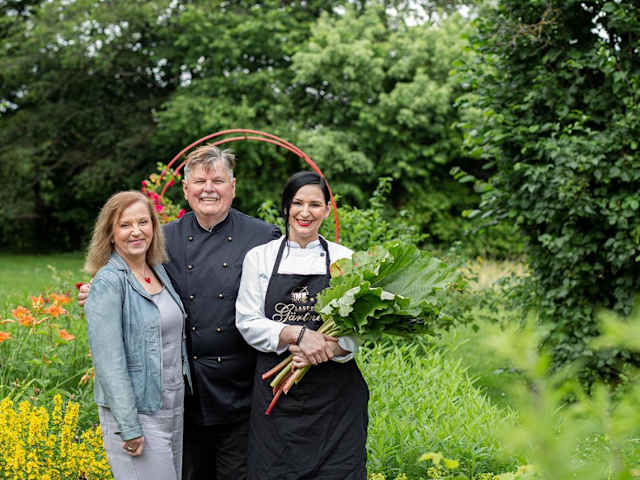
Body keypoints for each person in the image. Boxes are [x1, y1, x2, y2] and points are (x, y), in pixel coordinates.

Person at [80, 145, 280, 480]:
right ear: (186, 189)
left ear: (233, 186)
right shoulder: (164, 239)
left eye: (218, 181)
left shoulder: (263, 237)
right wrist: (100, 292)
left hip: (241, 393)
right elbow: (128, 282)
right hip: (185, 398)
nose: (208, 189)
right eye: (199, 181)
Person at [236, 171, 369, 480]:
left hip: (335, 401)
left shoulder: (345, 260)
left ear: (327, 210)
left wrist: (327, 349)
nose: (305, 212)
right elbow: (247, 321)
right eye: (297, 203)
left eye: (315, 204)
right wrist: (297, 335)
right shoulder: (260, 258)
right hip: (277, 397)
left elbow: (357, 328)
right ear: (286, 207)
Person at [84, 191, 191, 480]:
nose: (136, 231)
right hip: (136, 413)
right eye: (125, 225)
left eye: (143, 222)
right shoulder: (108, 283)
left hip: (171, 407)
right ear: (110, 234)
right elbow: (109, 364)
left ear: (154, 227)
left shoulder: (158, 271)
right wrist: (129, 427)